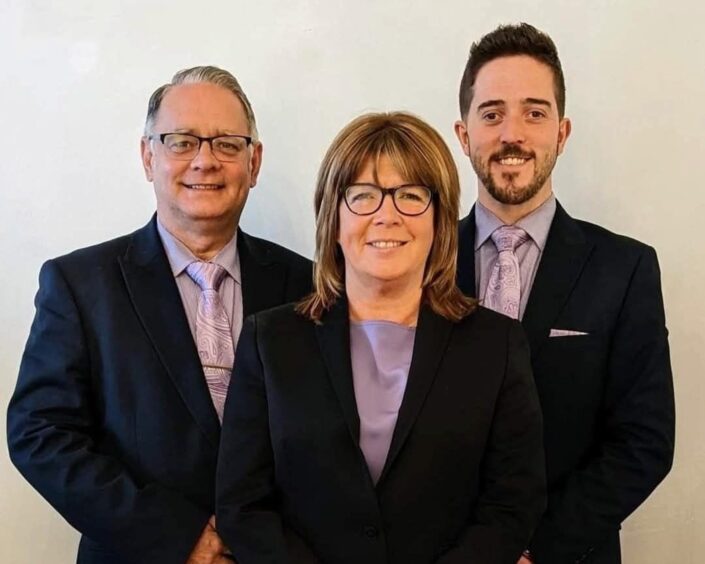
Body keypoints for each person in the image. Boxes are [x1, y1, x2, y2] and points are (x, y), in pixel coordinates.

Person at [7, 66, 312, 564]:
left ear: (254, 163)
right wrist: (176, 535)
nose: (205, 161)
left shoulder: (306, 286)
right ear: (149, 156)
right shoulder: (81, 285)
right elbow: (40, 433)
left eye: (227, 144)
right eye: (181, 141)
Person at [216, 111, 546, 564]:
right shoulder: (269, 340)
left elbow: (512, 505)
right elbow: (243, 505)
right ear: (333, 216)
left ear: (440, 220)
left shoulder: (497, 345)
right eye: (364, 195)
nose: (386, 216)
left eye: (410, 195)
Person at [453, 23, 675, 564]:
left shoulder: (625, 269)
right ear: (463, 135)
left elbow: (644, 441)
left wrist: (538, 549)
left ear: (562, 131)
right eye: (492, 114)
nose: (513, 134)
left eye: (534, 112)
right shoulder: (420, 264)